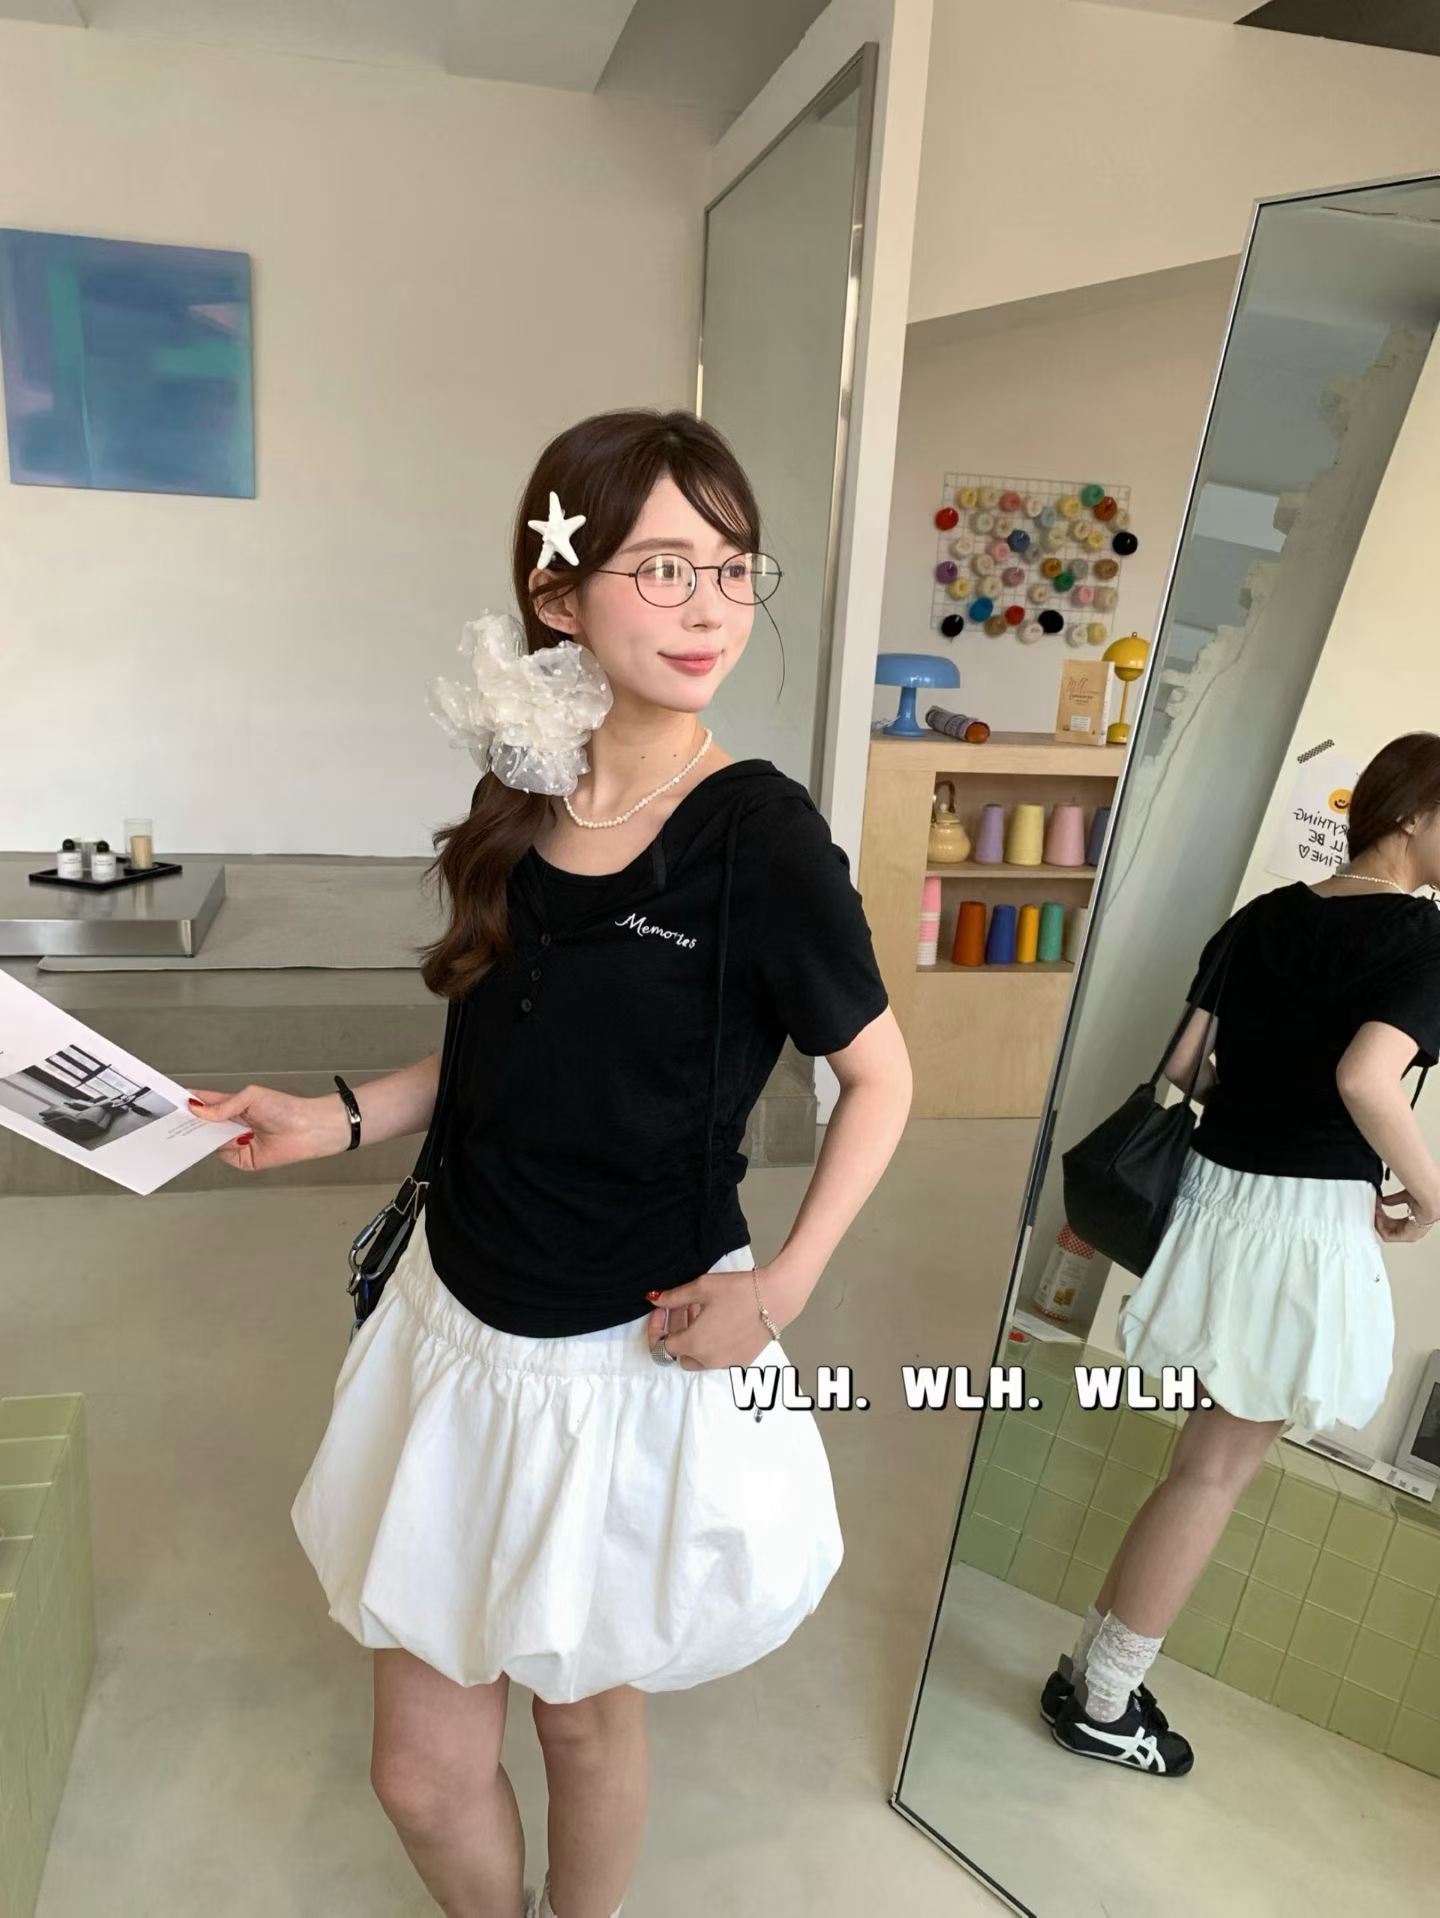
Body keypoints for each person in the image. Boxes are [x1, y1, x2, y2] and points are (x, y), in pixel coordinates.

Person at [187, 409, 913, 1916]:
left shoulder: (759, 837)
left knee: (581, 1717)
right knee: (422, 1772)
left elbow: (881, 1077)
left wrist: (781, 1287)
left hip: (624, 1345)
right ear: (558, 592)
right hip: (458, 1318)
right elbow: (506, 1049)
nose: (711, 607)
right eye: (665, 568)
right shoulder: (524, 788)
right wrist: (338, 1114)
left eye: (734, 568)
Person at [1044, 733, 1440, 1777]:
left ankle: (1093, 1670)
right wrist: (1433, 1195)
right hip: (1298, 1221)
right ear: (1412, 815)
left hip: (1217, 1198)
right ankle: (1104, 1701)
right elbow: (1367, 1078)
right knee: (1214, 1474)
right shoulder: (1423, 939)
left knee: (1197, 1465)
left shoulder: (1264, 915)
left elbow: (1186, 1065)